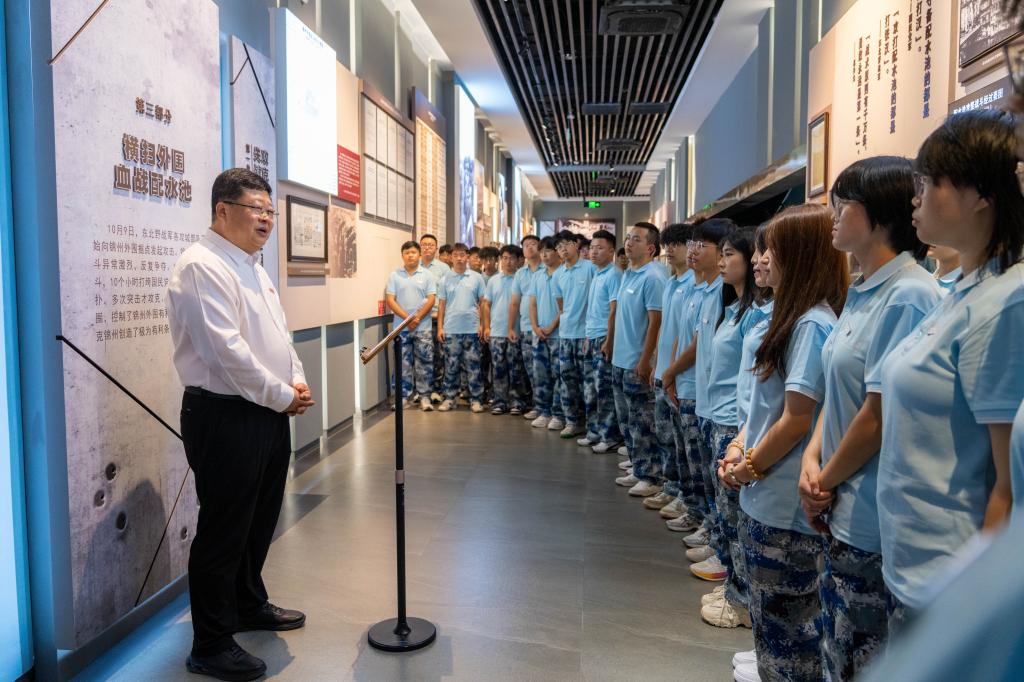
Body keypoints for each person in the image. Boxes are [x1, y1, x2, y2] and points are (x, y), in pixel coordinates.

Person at [792, 157, 941, 680]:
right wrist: (812, 461)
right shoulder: (864, 289)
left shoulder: (910, 294)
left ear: (881, 213)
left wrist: (823, 481)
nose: (833, 213)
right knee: (836, 649)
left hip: (868, 511)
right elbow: (840, 393)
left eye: (844, 203)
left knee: (860, 656)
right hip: (838, 500)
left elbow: (877, 416)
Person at [876, 109, 1024, 631]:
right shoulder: (965, 287)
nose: (916, 199)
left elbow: (1008, 485)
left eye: (930, 182)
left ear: (981, 193)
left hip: (950, 584)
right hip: (912, 567)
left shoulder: (1007, 301)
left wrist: (974, 608)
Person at [167, 168, 313, 681]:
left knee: (258, 520)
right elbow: (225, 353)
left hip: (266, 413)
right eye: (257, 209)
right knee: (223, 529)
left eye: (270, 211)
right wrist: (282, 396)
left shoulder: (251, 265)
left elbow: (279, 335)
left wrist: (295, 381)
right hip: (224, 414)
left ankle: (248, 602)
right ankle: (209, 643)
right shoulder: (201, 265)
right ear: (222, 210)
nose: (266, 219)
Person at [721, 204, 849, 682]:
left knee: (790, 634)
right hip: (763, 490)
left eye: (770, 249)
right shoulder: (787, 315)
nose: (760, 259)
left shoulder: (811, 324)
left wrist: (748, 466)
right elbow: (761, 407)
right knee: (772, 622)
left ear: (800, 255)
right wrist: (739, 447)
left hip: (781, 499)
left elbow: (796, 420)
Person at [700, 226, 764, 630]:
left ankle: (741, 599)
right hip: (721, 417)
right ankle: (734, 587)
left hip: (734, 425)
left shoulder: (757, 313)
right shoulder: (736, 307)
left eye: (730, 255)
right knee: (726, 516)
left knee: (735, 517)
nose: (723, 263)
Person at [688, 218, 737, 582]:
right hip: (708, 403)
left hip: (729, 414)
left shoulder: (735, 301)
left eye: (728, 254)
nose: (722, 261)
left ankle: (726, 561)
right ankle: (716, 540)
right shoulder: (719, 296)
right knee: (712, 486)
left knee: (728, 495)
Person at [604, 223, 666, 497]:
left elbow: (656, 322)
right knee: (627, 419)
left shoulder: (653, 276)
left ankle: (651, 476)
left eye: (636, 239)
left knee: (642, 421)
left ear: (651, 248)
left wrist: (645, 359)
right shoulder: (629, 273)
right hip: (621, 358)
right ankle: (638, 465)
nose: (629, 242)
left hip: (637, 362)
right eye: (628, 238)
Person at [645, 224, 696, 518]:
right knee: (666, 435)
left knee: (682, 442)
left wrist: (672, 370)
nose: (671, 249)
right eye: (669, 244)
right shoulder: (671, 281)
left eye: (678, 243)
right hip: (664, 370)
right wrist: (656, 362)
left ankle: (685, 497)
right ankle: (671, 486)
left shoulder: (692, 283)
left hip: (679, 374)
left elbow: (687, 337)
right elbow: (666, 327)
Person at [581, 230, 624, 454]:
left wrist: (609, 339)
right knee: (591, 389)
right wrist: (588, 336)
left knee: (604, 390)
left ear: (611, 251)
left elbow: (614, 310)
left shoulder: (614, 274)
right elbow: (594, 310)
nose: (594, 251)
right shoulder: (597, 274)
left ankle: (610, 436)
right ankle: (594, 432)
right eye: (592, 247)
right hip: (593, 337)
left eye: (599, 248)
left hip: (604, 338)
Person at [552, 230, 597, 438]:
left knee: (589, 383)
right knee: (567, 381)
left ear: (576, 245)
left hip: (586, 335)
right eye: (559, 247)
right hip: (565, 335)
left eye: (566, 244)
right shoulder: (558, 274)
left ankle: (593, 427)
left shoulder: (590, 268)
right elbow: (561, 305)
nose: (563, 250)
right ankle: (572, 422)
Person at [385, 241, 437, 411]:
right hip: (401, 329)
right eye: (407, 253)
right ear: (402, 255)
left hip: (423, 328)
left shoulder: (427, 275)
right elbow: (390, 300)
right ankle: (402, 397)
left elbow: (431, 299)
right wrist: (408, 319)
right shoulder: (395, 275)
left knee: (425, 363)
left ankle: (425, 397)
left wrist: (418, 318)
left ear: (419, 255)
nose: (410, 255)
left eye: (413, 252)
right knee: (402, 365)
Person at [436, 243, 487, 412]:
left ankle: (476, 399)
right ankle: (449, 398)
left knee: (474, 366)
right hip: (451, 329)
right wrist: (440, 328)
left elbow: (483, 303)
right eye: (455, 255)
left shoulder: (476, 278)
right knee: (450, 366)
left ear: (467, 257)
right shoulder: (445, 279)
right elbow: (442, 305)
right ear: (451, 257)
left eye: (462, 255)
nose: (459, 258)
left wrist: (483, 325)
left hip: (472, 329)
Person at [482, 245, 525, 415]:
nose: (508, 262)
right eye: (505, 258)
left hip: (516, 331)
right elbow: (486, 305)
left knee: (516, 368)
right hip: (497, 331)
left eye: (512, 258)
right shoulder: (494, 280)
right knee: (498, 368)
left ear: (519, 260)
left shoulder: (521, 278)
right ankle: (500, 401)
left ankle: (517, 402)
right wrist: (486, 327)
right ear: (500, 260)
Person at [528, 237, 565, 430]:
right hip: (540, 334)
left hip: (558, 334)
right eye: (541, 251)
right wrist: (535, 327)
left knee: (559, 375)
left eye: (548, 251)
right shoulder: (538, 275)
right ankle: (544, 411)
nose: (543, 255)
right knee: (541, 375)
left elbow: (566, 306)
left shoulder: (564, 273)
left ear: (558, 252)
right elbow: (532, 304)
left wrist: (552, 326)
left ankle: (558, 414)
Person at [510, 235, 542, 418]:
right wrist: (511, 327)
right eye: (526, 245)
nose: (529, 248)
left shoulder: (548, 269)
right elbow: (515, 302)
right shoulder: (520, 274)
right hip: (526, 328)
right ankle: (537, 406)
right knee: (531, 370)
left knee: (545, 371)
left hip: (545, 329)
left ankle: (549, 409)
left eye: (533, 244)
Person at [420, 233, 451, 403]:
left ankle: (437, 389)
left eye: (430, 245)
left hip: (438, 318)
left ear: (436, 248)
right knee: (422, 356)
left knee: (439, 355)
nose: (427, 248)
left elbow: (448, 294)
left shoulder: (443, 269)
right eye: (424, 244)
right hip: (419, 320)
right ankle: (422, 390)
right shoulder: (414, 266)